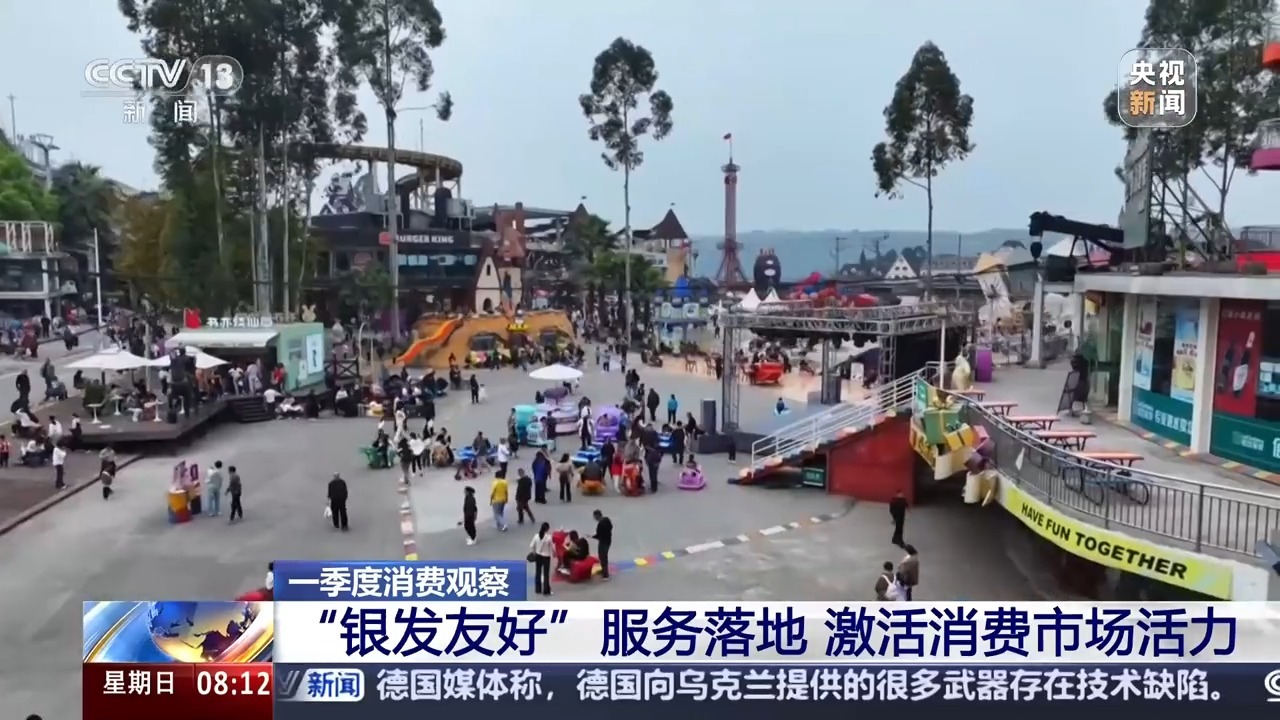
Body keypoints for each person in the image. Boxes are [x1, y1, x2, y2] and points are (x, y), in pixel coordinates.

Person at [529, 522, 554, 596]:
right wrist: (553, 554)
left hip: (538, 556)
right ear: (547, 529)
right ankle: (546, 591)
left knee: (538, 573)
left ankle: (538, 589)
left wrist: (533, 553)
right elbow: (552, 548)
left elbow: (531, 545)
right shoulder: (549, 537)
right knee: (546, 574)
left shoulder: (536, 536)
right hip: (546, 557)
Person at [592, 509, 613, 580]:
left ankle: (605, 574)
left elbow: (598, 535)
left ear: (597, 516)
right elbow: (611, 527)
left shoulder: (600, 525)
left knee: (602, 557)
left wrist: (592, 536)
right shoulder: (607, 520)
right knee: (604, 556)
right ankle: (604, 570)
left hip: (603, 542)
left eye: (594, 517)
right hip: (608, 540)